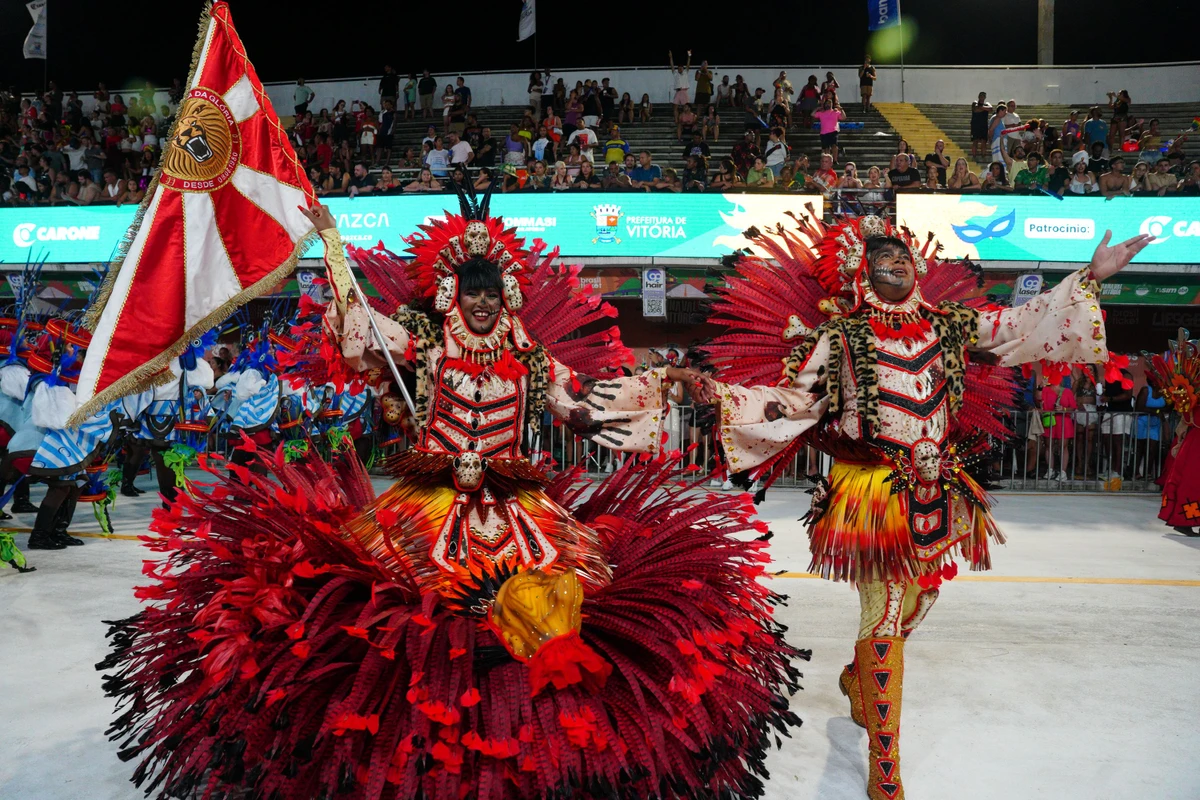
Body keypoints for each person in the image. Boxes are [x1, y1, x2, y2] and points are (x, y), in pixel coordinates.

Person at [101, 195, 807, 800]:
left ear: (508, 294)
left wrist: (660, 388)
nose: (482, 300)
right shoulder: (427, 343)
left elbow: (579, 404)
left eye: (491, 289)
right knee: (418, 621)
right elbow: (362, 332)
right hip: (429, 501)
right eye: (471, 288)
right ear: (450, 291)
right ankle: (425, 754)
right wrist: (335, 250)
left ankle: (528, 750)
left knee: (546, 611)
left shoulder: (530, 355)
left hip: (514, 504)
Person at [693, 214, 1151, 800]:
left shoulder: (947, 324)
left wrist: (1090, 275)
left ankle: (859, 676)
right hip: (872, 494)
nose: (896, 265)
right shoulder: (840, 336)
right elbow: (793, 401)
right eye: (883, 259)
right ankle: (885, 767)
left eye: (903, 257)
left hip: (937, 488)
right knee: (884, 614)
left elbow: (1018, 323)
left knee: (924, 595)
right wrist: (718, 395)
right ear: (864, 273)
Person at [814, 99, 847, 164]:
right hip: (824, 132)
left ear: (832, 104)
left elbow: (843, 117)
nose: (828, 105)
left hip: (833, 131)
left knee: (834, 145)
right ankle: (828, 161)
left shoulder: (835, 112)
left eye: (829, 103)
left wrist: (841, 109)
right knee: (826, 148)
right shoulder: (821, 113)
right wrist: (817, 108)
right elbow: (812, 114)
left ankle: (835, 160)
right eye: (827, 103)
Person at [668, 49, 692, 122]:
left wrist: (689, 55)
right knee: (675, 107)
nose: (680, 69)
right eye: (678, 68)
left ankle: (685, 119)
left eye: (681, 68)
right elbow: (672, 65)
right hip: (678, 92)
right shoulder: (675, 74)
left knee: (686, 107)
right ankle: (676, 120)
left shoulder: (685, 72)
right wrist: (671, 57)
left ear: (683, 68)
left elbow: (688, 63)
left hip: (684, 91)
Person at [971, 92, 992, 158]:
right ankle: (974, 156)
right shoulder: (975, 103)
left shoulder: (987, 103)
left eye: (983, 96)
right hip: (975, 126)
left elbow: (990, 108)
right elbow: (975, 109)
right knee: (975, 141)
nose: (982, 97)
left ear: (985, 97)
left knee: (984, 142)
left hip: (984, 126)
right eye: (981, 96)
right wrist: (984, 108)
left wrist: (981, 107)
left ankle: (983, 156)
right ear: (978, 96)